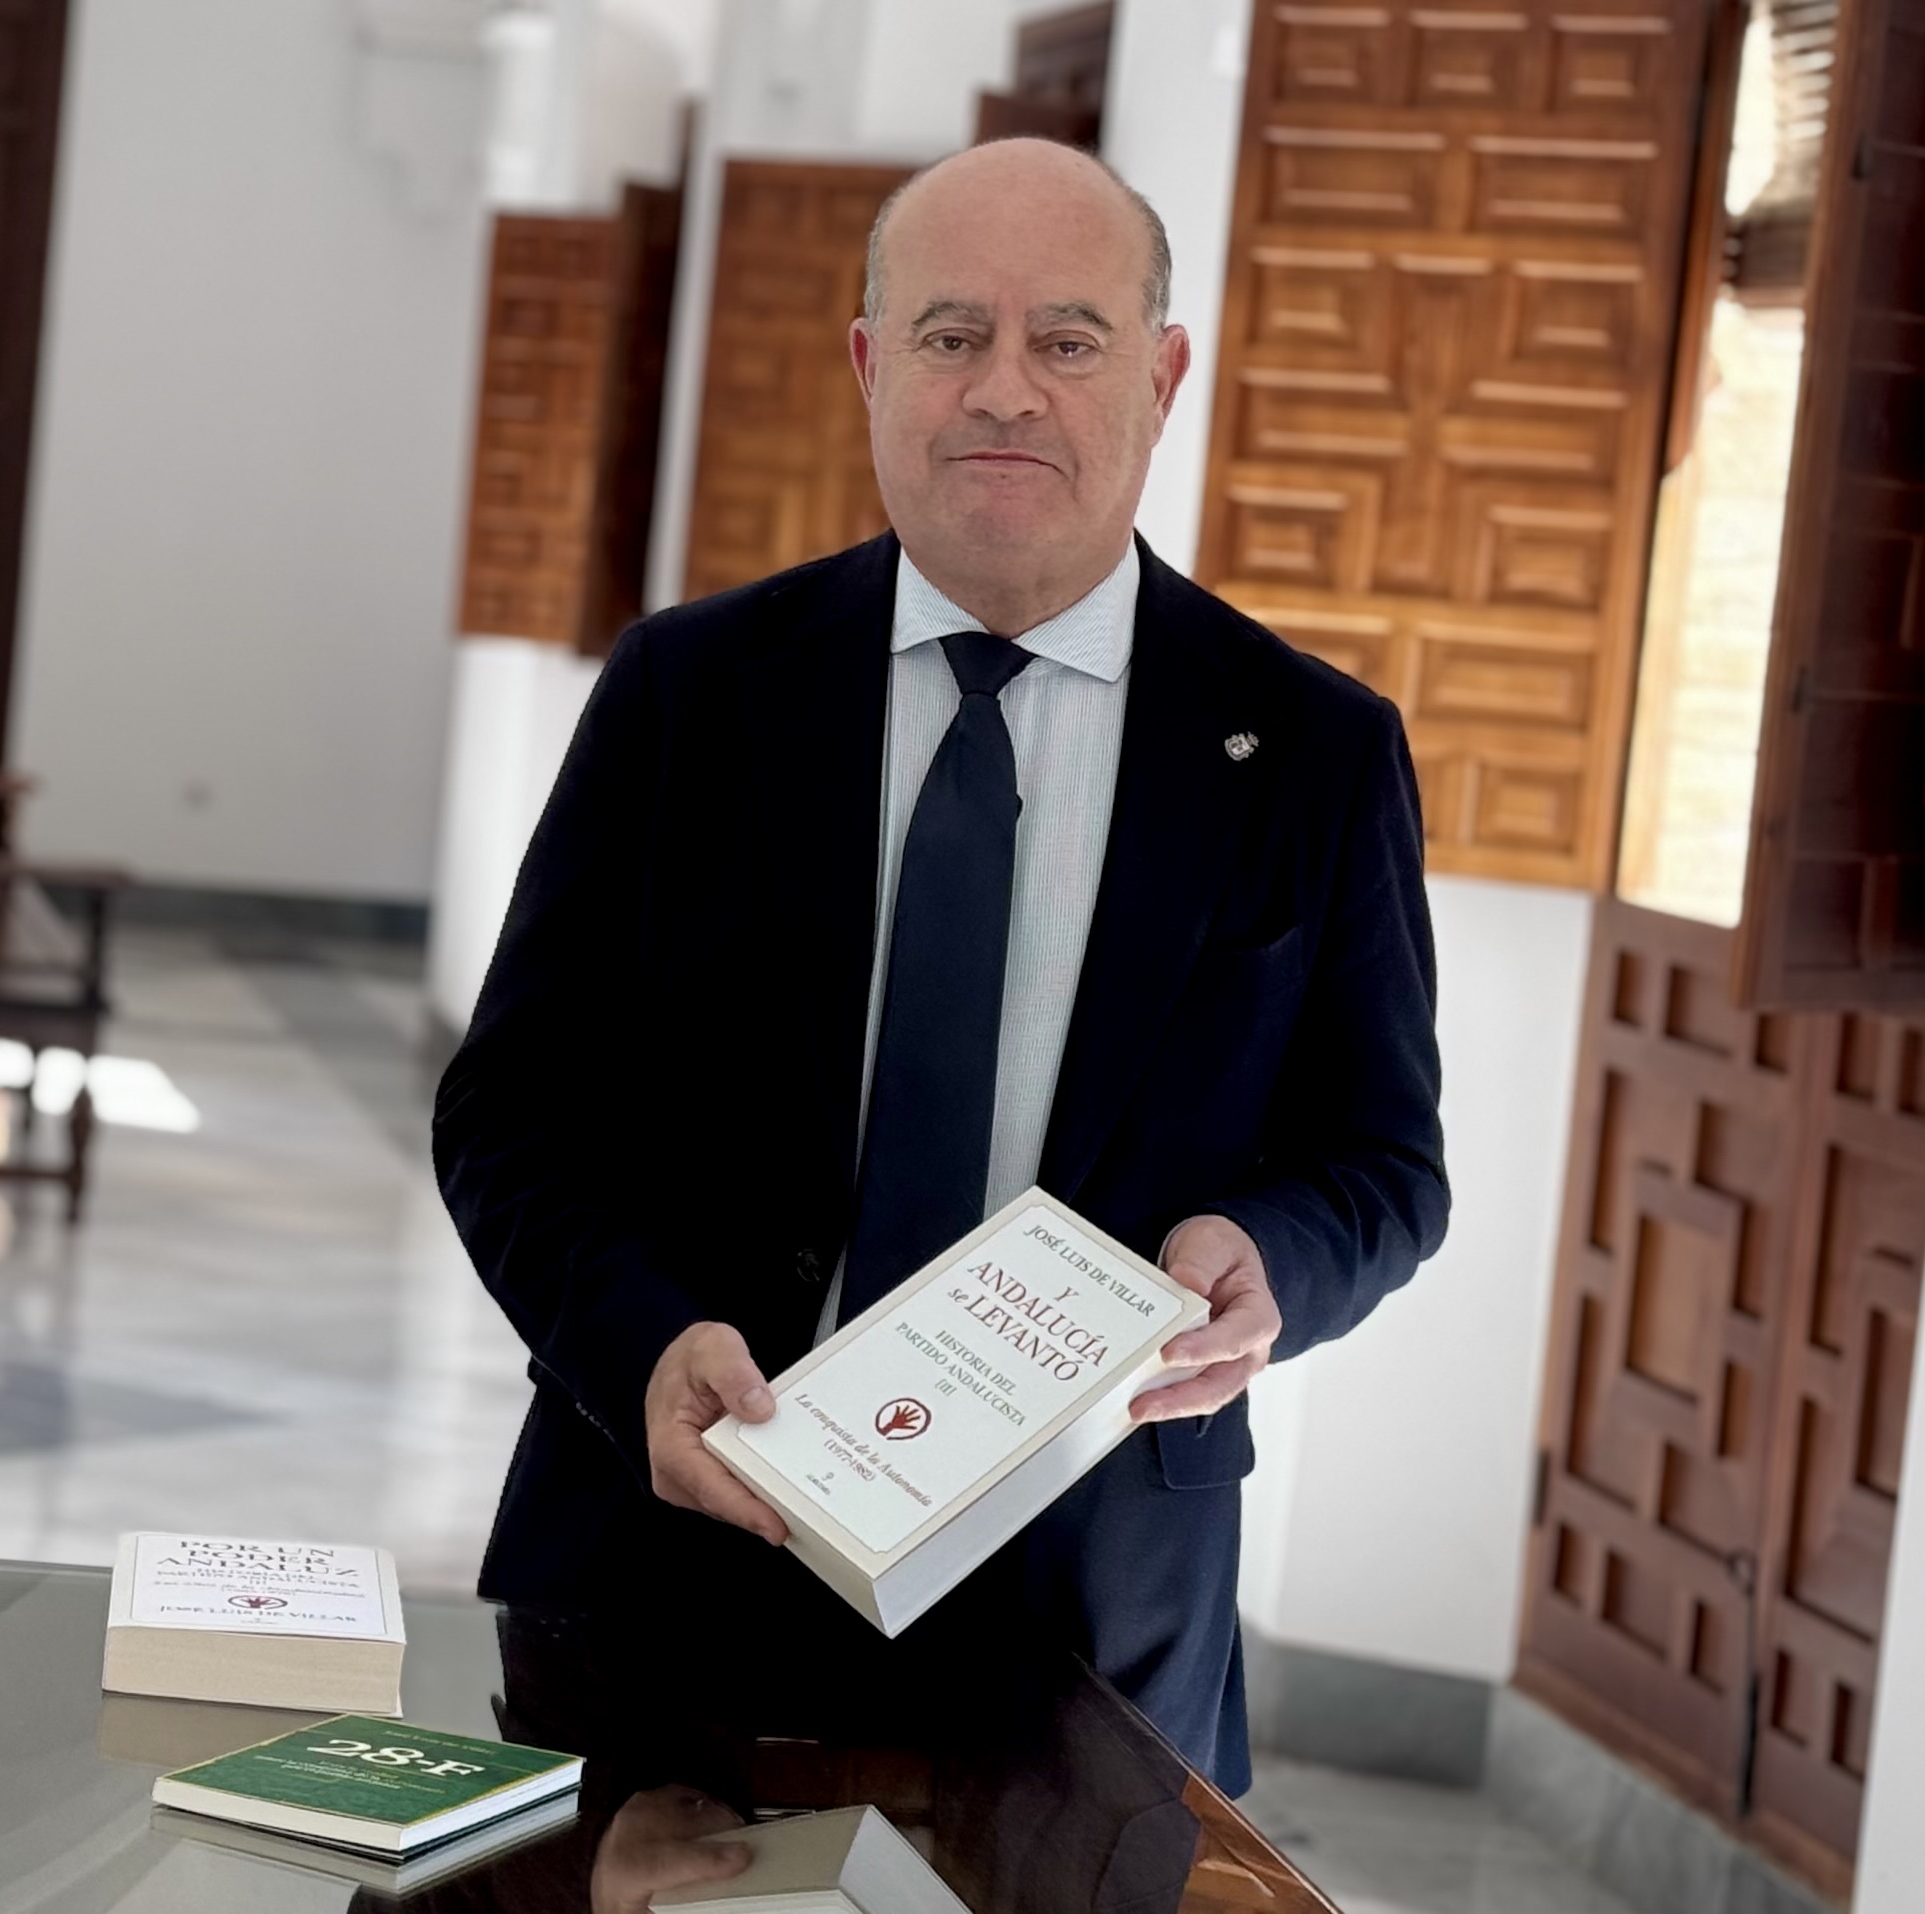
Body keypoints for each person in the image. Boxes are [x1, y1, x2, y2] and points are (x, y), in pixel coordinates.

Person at [433, 136, 1448, 1792]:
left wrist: (1272, 1254)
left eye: (1069, 339)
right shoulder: (691, 694)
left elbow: (1386, 1163)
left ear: (1162, 376)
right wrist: (638, 1344)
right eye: (951, 333)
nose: (1005, 389)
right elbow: (512, 1116)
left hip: (1096, 1606)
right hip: (679, 1538)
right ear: (868, 365)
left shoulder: (1313, 754)